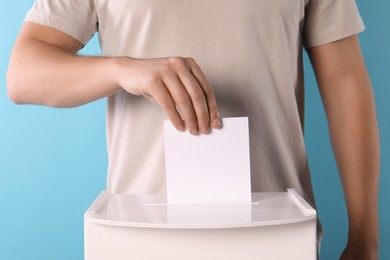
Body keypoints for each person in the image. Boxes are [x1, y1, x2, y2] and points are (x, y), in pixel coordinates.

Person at [7, 0, 379, 259]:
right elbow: (23, 75)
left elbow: (345, 83)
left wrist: (365, 240)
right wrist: (120, 69)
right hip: (140, 239)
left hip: (277, 238)